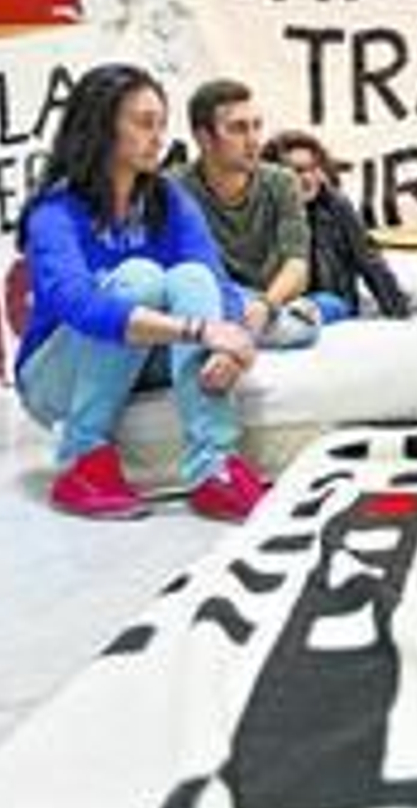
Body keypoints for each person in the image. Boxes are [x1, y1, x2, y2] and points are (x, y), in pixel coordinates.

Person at [14, 63, 270, 522]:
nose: (159, 138)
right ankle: (81, 460)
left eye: (161, 124)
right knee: (141, 278)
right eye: (144, 123)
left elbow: (216, 281)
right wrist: (200, 331)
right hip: (54, 376)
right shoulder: (55, 211)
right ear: (101, 128)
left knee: (193, 278)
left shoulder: (169, 200)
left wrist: (227, 345)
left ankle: (213, 466)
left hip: (143, 354)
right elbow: (79, 305)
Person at [175, 79, 322, 348]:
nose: (253, 140)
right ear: (204, 138)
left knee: (307, 323)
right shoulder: (175, 188)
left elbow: (297, 266)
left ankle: (233, 332)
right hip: (211, 300)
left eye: (257, 126)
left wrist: (266, 305)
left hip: (268, 302)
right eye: (238, 129)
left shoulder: (282, 182)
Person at [262, 129, 410, 321]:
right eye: (297, 171)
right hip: (275, 308)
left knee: (324, 303)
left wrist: (401, 317)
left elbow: (370, 262)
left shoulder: (336, 206)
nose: (308, 178)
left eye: (313, 168)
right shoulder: (261, 210)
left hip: (332, 307)